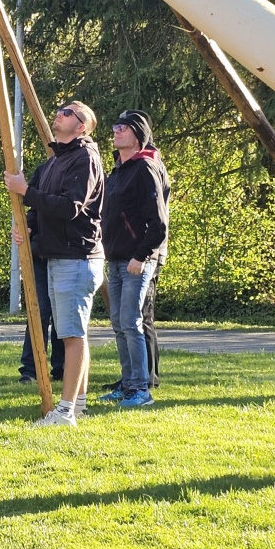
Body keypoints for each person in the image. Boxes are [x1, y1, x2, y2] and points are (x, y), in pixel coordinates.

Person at [5, 101, 105, 427]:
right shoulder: (55, 161)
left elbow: (71, 207)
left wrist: (25, 191)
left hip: (76, 257)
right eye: (60, 110)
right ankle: (79, 405)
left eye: (68, 112)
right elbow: (42, 208)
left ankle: (64, 412)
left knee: (71, 336)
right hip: (57, 256)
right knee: (74, 334)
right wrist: (28, 225)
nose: (59, 114)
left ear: (82, 126)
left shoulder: (85, 158)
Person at [101, 109, 168, 408]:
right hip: (115, 258)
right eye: (115, 126)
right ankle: (127, 383)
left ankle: (141, 389)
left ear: (138, 135)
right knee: (118, 322)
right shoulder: (117, 169)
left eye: (123, 128)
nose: (116, 131)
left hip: (136, 260)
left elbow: (158, 224)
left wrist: (141, 255)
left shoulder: (145, 169)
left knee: (131, 321)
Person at [16, 159, 64, 384]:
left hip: (66, 253)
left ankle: (63, 367)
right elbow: (32, 204)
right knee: (39, 311)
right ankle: (31, 368)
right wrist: (27, 227)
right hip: (41, 252)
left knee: (63, 314)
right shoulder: (46, 167)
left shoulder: (82, 163)